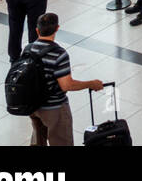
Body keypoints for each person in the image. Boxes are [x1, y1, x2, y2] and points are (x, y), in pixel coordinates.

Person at [19, 13, 104, 146]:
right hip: (54, 108)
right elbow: (66, 85)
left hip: (33, 106)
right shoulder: (59, 54)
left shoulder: (28, 48)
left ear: (37, 30)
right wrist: (91, 84)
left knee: (38, 140)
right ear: (57, 28)